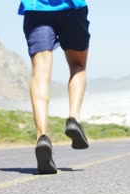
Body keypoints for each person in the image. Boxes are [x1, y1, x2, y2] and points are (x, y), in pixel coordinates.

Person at [18, 0, 90, 174]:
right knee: (77, 66)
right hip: (72, 8)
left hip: (36, 9)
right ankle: (73, 118)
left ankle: (42, 136)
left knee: (40, 72)